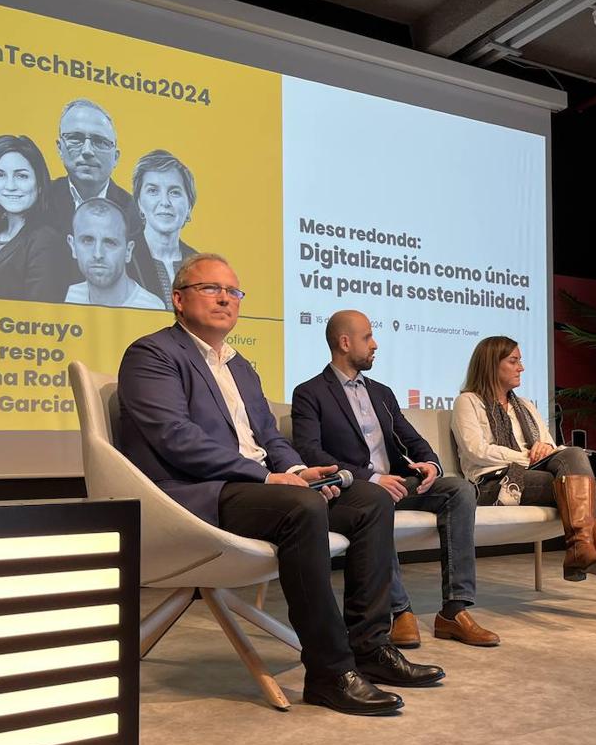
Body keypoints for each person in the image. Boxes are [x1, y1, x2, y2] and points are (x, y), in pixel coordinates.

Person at [117, 253, 443, 715]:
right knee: (302, 509)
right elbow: (175, 438)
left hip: (258, 487)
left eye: (233, 291)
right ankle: (330, 672)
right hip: (197, 493)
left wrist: (295, 473)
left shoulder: (241, 366)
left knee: (369, 500)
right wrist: (269, 477)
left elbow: (269, 437)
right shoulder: (152, 354)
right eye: (212, 289)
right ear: (178, 299)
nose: (226, 299)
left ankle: (371, 649)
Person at [292, 310, 499, 649]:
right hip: (357, 488)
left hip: (399, 482)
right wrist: (370, 478)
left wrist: (431, 463)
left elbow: (411, 439)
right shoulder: (310, 393)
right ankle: (400, 610)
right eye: (368, 337)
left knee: (459, 490)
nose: (375, 345)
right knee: (376, 501)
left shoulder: (382, 393)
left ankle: (454, 610)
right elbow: (311, 452)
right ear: (345, 343)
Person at [452, 336, 596, 629]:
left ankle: (586, 554)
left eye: (521, 360)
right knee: (583, 481)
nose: (522, 367)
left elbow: (549, 446)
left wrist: (544, 450)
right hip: (492, 485)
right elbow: (476, 452)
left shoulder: (524, 405)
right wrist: (530, 455)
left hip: (531, 476)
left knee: (572, 458)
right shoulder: (469, 401)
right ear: (492, 364)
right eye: (513, 361)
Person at [43, 98, 142, 291]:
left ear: (116, 157)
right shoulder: (39, 201)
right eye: (76, 138)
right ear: (59, 148)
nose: (87, 151)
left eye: (100, 141)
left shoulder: (135, 214)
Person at [0, 134, 66, 301]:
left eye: (21, 176)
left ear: (39, 184)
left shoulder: (45, 240)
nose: (10, 186)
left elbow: (41, 316)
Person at [64, 199, 164, 309]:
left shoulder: (152, 309)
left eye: (110, 242)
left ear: (128, 251)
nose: (98, 254)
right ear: (73, 246)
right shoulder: (67, 298)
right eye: (87, 240)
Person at [129, 149, 198, 308]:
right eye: (153, 191)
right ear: (139, 202)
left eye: (174, 192)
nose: (165, 202)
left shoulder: (201, 265)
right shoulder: (120, 257)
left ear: (189, 206)